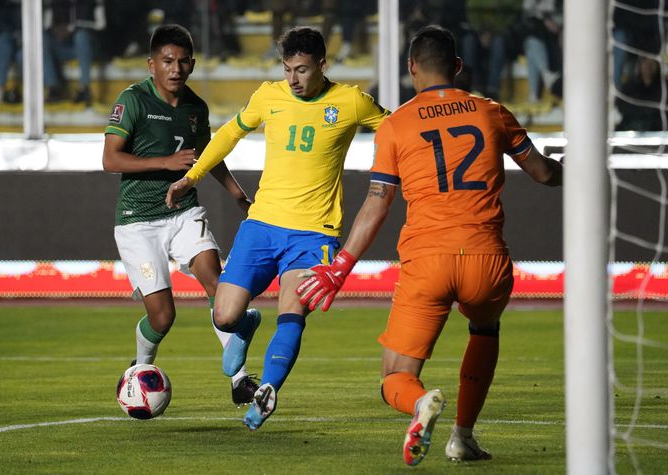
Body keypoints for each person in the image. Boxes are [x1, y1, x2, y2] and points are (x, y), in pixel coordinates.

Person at [297, 25, 562, 466]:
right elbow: (544, 173)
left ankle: (420, 403)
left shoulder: (396, 124)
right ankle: (463, 437)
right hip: (487, 260)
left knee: (394, 377)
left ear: (411, 69)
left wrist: (341, 266)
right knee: (485, 329)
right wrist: (575, 169)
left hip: (428, 261)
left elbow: (377, 203)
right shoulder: (492, 112)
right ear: (457, 66)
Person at [165, 26, 389, 430]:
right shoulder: (269, 96)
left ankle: (267, 389)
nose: (293, 79)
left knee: (292, 309)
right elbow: (230, 134)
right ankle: (247, 324)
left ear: (322, 65)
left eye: (302, 70)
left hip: (314, 233)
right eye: (287, 70)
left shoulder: (351, 101)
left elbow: (397, 130)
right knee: (224, 316)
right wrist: (191, 177)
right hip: (262, 224)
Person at [102, 24, 259, 406]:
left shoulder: (195, 107)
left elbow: (208, 156)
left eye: (183, 61)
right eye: (168, 61)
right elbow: (110, 159)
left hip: (183, 211)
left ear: (192, 64)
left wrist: (239, 196)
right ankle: (140, 369)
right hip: (138, 220)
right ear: (151, 64)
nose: (176, 69)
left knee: (217, 283)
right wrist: (166, 161)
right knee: (162, 318)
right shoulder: (133, 100)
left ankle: (239, 379)